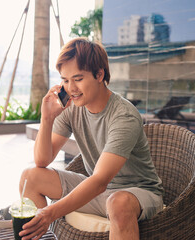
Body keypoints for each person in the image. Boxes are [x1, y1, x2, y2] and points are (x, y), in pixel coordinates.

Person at [18, 37, 164, 240]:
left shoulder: (124, 115)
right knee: (30, 177)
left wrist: (49, 213)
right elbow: (42, 160)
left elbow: (100, 181)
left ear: (99, 74)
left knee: (117, 202)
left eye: (78, 79)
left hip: (137, 194)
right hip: (101, 194)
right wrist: (47, 118)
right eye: (65, 80)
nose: (71, 88)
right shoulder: (72, 108)